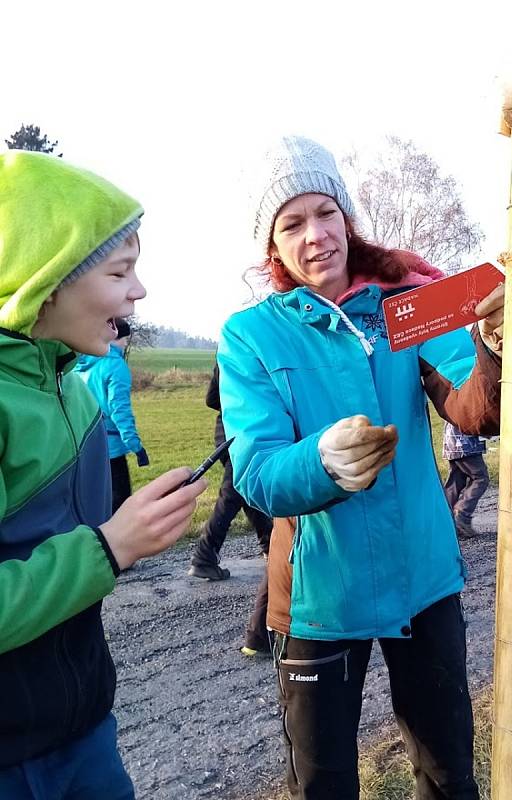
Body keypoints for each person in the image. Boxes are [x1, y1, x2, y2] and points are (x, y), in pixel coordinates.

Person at [218, 136, 504, 800]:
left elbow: (473, 411)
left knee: (450, 776)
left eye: (326, 213)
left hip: (423, 578)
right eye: (292, 224)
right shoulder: (251, 335)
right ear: (272, 245)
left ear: (347, 215)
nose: (316, 236)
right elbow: (257, 471)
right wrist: (321, 462)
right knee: (322, 786)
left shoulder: (408, 304)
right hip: (320, 598)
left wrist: (490, 348)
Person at [0, 150, 207, 800]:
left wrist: (127, 530)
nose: (138, 291)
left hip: (84, 726)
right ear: (46, 280)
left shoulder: (79, 394)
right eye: (120, 271)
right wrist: (113, 545)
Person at [188, 361, 274, 656]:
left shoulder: (227, 349)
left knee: (244, 496)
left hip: (228, 434)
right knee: (231, 498)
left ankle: (267, 543)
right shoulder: (251, 347)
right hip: (239, 437)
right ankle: (204, 554)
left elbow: (212, 398)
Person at [76, 318, 150, 512]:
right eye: (124, 338)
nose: (125, 343)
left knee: (91, 502)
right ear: (115, 337)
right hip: (111, 447)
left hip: (83, 444)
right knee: (120, 504)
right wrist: (136, 446)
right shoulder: (116, 366)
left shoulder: (80, 366)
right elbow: (120, 410)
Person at [442, 422, 490, 539]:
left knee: (455, 482)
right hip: (466, 444)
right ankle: (462, 514)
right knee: (480, 478)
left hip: (452, 442)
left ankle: (444, 520)